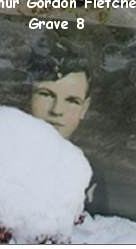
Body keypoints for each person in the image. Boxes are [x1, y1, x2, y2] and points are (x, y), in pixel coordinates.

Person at [27, 35, 109, 214]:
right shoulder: (0, 156)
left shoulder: (90, 175)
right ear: (29, 95)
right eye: (46, 94)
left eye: (72, 100)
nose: (57, 110)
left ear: (84, 108)